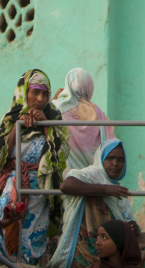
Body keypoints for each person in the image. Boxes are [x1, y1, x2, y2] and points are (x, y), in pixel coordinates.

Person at [50, 139, 145, 268]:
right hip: (86, 247)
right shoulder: (91, 175)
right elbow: (66, 186)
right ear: (101, 159)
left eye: (120, 160)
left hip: (113, 250)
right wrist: (105, 190)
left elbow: (126, 220)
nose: (115, 164)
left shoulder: (118, 190)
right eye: (110, 158)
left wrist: (132, 227)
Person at [0, 69, 69, 264]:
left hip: (40, 193)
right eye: (35, 92)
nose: (40, 98)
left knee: (32, 242)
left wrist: (46, 125)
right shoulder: (9, 120)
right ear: (24, 92)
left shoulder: (54, 120)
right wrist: (18, 124)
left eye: (45, 93)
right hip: (10, 189)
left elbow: (60, 157)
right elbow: (2, 156)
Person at [53, 68, 116, 170]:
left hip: (65, 174)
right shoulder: (98, 112)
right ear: (89, 87)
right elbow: (110, 140)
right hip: (92, 175)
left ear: (68, 84)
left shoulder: (56, 107)